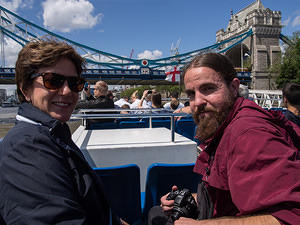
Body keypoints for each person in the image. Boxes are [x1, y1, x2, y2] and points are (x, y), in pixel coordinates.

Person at [148, 53, 300, 225]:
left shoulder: (249, 134)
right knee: (156, 212)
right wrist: (195, 199)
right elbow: (230, 195)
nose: (197, 102)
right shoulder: (225, 122)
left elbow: (291, 217)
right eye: (191, 94)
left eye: (208, 88)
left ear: (234, 88)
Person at [0, 39, 126, 225]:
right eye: (53, 81)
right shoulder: (26, 149)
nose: (67, 91)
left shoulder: (52, 134)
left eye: (75, 83)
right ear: (25, 89)